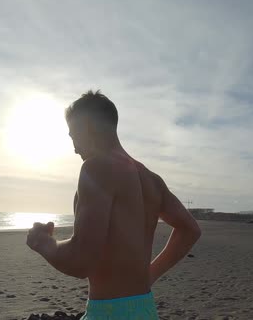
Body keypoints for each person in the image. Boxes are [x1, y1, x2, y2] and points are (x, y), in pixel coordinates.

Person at [26, 90, 202, 319]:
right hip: (144, 308)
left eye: (73, 136)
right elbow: (190, 229)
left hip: (109, 311)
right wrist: (150, 274)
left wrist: (44, 244)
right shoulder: (152, 180)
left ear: (87, 125)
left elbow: (81, 262)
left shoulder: (96, 168)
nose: (74, 148)